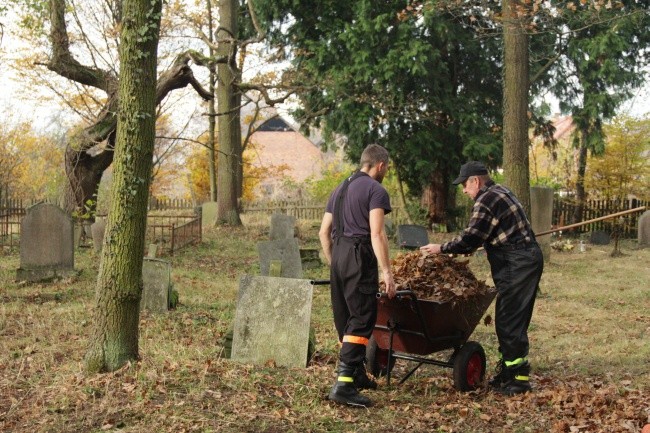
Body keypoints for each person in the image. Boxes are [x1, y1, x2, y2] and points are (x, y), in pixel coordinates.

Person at [420, 161, 543, 396]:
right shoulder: (502, 191)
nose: (464, 191)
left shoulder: (485, 200)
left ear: (476, 181)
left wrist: (441, 248)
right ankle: (509, 372)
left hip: (518, 263)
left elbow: (470, 239)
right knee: (510, 318)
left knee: (509, 319)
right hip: (523, 258)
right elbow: (494, 232)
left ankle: (519, 379)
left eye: (465, 185)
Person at [319, 144, 397, 408]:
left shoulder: (340, 188)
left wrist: (336, 264)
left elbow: (323, 233)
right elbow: (377, 234)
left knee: (346, 318)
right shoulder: (376, 190)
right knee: (362, 317)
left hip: (338, 255)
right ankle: (343, 385)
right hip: (358, 254)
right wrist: (387, 272)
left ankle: (356, 373)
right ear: (381, 165)